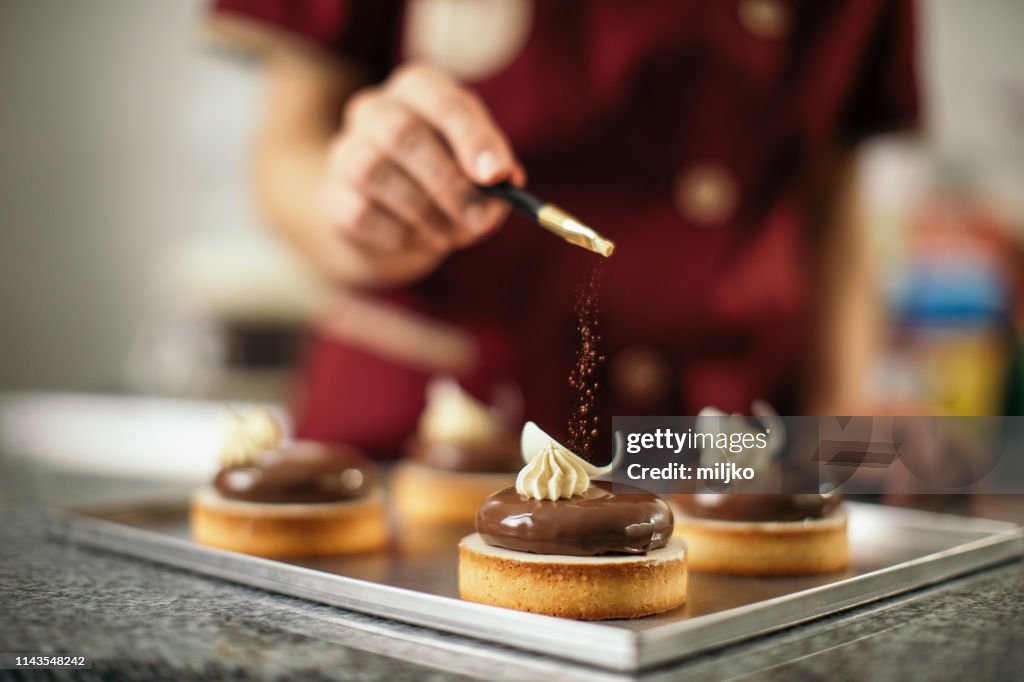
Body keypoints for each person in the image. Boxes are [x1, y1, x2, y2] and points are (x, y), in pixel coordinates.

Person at [207, 0, 919, 458]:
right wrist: (356, 208)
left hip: (725, 444)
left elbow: (830, 205)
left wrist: (841, 440)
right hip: (430, 429)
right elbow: (286, 151)